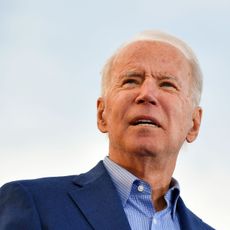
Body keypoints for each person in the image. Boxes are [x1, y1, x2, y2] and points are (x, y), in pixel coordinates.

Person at [0, 30, 215, 230]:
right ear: (102, 115)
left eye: (167, 84)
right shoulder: (34, 204)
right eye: (131, 81)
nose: (147, 94)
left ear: (194, 124)